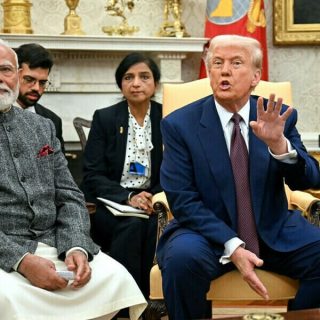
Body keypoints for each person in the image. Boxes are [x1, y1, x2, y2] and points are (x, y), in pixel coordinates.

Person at [157, 34, 320, 319]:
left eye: (236, 63)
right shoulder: (179, 125)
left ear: (256, 76)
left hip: (272, 229)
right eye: (217, 63)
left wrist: (279, 146)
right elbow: (183, 200)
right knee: (181, 259)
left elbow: (308, 179)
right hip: (204, 233)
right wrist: (232, 245)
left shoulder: (278, 117)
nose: (224, 70)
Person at [0, 40, 147, 320]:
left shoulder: (41, 127)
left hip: (54, 242)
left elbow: (69, 195)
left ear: (16, 74)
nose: (0, 78)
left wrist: (76, 245)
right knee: (6, 297)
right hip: (5, 251)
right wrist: (21, 261)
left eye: (6, 69)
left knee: (113, 277)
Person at [82, 52, 162, 300]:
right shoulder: (105, 118)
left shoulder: (168, 116)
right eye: (129, 77)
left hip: (155, 200)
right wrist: (128, 197)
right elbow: (92, 174)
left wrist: (152, 196)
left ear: (155, 84)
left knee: (152, 227)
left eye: (144, 77)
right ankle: (124, 300)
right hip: (113, 203)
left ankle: (151, 300)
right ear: (120, 84)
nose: (136, 83)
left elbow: (176, 169)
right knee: (131, 226)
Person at [14, 43, 65, 153]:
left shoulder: (53, 121)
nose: (36, 88)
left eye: (42, 82)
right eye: (29, 79)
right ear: (14, 75)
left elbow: (59, 168)